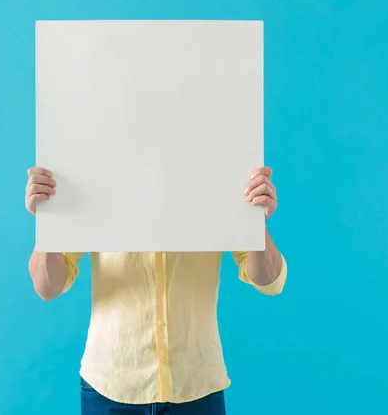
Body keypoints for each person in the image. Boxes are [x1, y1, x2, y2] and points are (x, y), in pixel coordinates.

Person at [26, 165, 287, 415]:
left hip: (197, 386)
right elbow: (47, 287)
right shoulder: (97, 174)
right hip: (109, 387)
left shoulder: (216, 177)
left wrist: (255, 222)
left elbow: (268, 280)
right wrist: (48, 221)